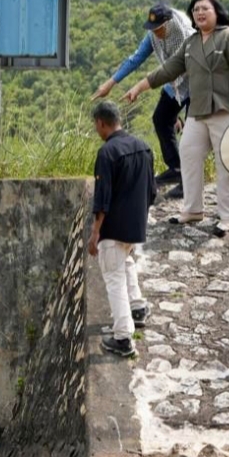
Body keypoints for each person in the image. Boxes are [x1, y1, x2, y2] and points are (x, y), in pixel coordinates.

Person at [121, 0, 229, 238]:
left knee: (228, 165)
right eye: (195, 10)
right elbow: (170, 68)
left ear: (216, 11)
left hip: (225, 111)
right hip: (198, 111)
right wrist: (139, 87)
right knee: (189, 154)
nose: (199, 13)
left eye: (205, 9)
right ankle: (193, 209)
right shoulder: (191, 42)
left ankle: (227, 217)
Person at [92, 4, 194, 199]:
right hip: (173, 83)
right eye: (153, 29)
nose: (157, 33)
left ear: (169, 23)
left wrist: (140, 87)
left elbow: (176, 68)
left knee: (191, 136)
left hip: (196, 82)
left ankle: (188, 182)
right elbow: (135, 59)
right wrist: (110, 83)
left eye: (159, 29)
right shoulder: (154, 37)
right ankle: (176, 167)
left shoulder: (187, 35)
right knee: (161, 119)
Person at [89, 101, 156, 357]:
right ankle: (137, 307)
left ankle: (123, 337)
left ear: (101, 123)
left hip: (113, 228)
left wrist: (95, 232)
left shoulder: (107, 153)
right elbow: (152, 192)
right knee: (126, 263)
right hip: (135, 227)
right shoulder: (143, 147)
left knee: (113, 278)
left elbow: (102, 198)